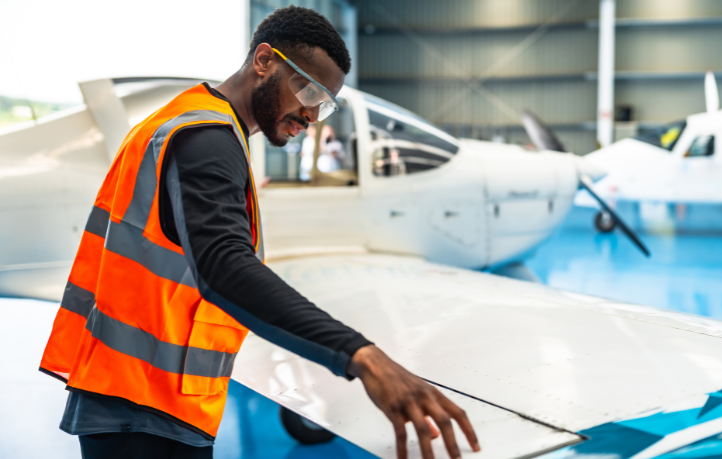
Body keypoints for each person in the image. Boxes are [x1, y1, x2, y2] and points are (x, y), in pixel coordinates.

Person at [38, 6, 479, 459]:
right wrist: (360, 356)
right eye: (307, 90)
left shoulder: (194, 120)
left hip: (143, 398)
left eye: (323, 104)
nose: (311, 115)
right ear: (264, 61)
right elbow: (224, 267)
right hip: (143, 407)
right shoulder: (207, 137)